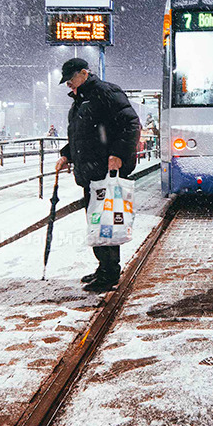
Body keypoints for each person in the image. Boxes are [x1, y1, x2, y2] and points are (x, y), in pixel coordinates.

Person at [55, 58, 141, 292]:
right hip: (91, 172)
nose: (68, 85)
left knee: (106, 223)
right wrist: (67, 155)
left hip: (105, 171)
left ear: (84, 73)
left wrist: (118, 153)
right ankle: (104, 267)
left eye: (71, 79)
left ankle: (110, 272)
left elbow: (131, 123)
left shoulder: (105, 92)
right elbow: (81, 136)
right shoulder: (81, 100)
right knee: (96, 222)